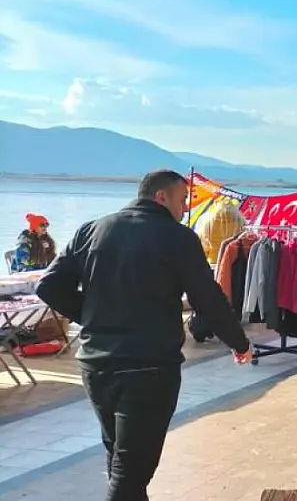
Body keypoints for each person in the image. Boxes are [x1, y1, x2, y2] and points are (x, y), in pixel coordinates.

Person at [35, 169, 252, 501]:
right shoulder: (177, 237)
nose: (185, 209)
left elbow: (48, 285)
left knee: (121, 461)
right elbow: (207, 299)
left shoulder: (92, 230)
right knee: (129, 472)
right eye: (182, 200)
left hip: (96, 367)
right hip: (148, 369)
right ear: (160, 197)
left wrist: (92, 317)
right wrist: (239, 342)